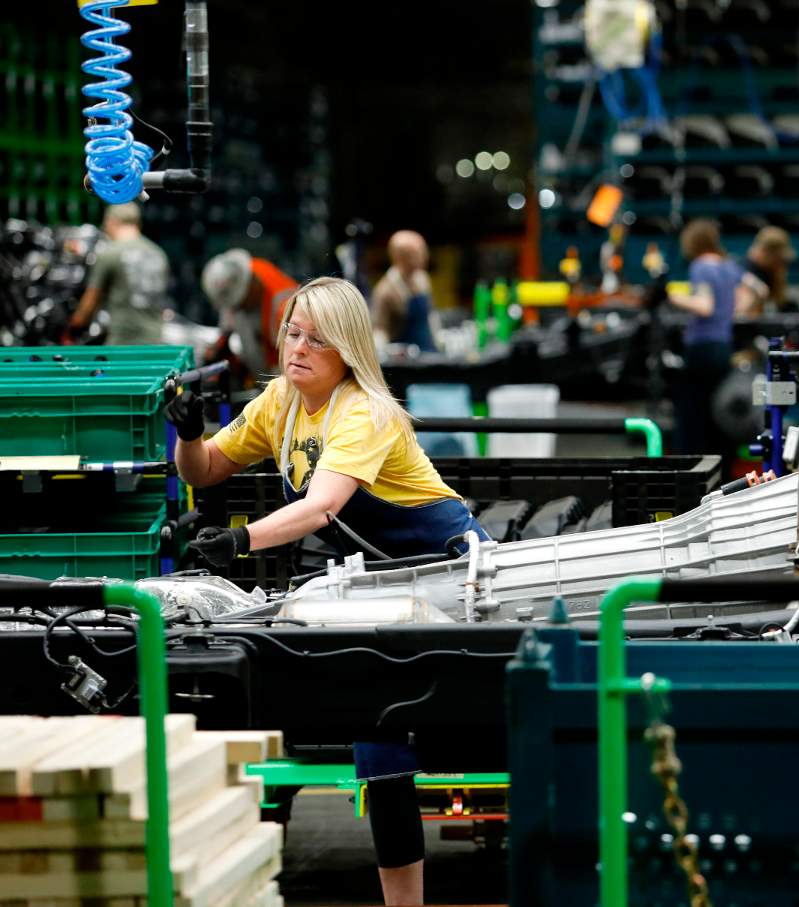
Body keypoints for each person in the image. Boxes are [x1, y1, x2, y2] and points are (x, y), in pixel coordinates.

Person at [166, 276, 488, 906]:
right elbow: (205, 471)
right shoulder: (280, 402)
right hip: (379, 589)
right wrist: (189, 434)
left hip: (448, 579)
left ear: (348, 349)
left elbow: (320, 508)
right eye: (293, 331)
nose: (299, 347)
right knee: (376, 729)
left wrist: (239, 541)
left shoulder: (363, 410)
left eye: (318, 338)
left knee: (385, 733)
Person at [668, 219, 744, 465]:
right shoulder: (728, 266)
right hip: (723, 346)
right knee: (718, 413)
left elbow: (704, 305)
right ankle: (721, 468)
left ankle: (691, 468)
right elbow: (752, 293)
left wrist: (672, 296)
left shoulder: (701, 266)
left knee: (693, 414)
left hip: (702, 347)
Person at [69, 203, 171, 344]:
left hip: (123, 343)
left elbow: (91, 302)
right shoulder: (158, 254)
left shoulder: (109, 253)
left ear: (111, 222)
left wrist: (73, 327)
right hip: (155, 341)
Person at [201, 249, 299, 381]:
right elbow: (230, 315)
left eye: (239, 303)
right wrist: (221, 343)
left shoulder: (285, 309)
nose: (236, 309)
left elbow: (298, 365)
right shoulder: (242, 272)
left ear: (250, 285)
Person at [371, 230, 437, 351]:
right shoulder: (386, 290)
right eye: (417, 253)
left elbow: (430, 314)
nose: (424, 256)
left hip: (429, 350)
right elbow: (379, 330)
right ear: (400, 256)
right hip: (406, 360)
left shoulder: (423, 279)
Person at [736, 225, 796, 316]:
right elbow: (741, 315)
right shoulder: (742, 271)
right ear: (765, 252)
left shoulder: (767, 272)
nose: (780, 264)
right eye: (777, 258)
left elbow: (779, 299)